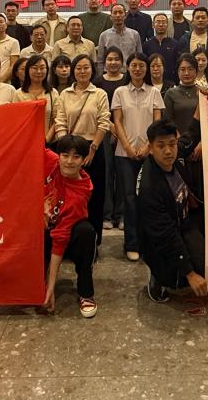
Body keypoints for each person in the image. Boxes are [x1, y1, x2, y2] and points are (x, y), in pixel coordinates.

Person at [139, 119, 207, 303]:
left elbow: (191, 134)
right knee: (178, 277)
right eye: (161, 146)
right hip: (158, 238)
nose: (168, 151)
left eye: (172, 144)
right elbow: (164, 234)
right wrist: (190, 274)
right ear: (150, 148)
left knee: (207, 266)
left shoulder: (175, 157)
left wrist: (201, 107)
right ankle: (158, 277)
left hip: (184, 222)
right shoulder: (149, 187)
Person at [110, 52, 164, 260]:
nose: (138, 69)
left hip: (150, 153)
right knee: (129, 199)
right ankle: (131, 244)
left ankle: (148, 242)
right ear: (128, 68)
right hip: (124, 154)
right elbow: (117, 121)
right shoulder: (120, 92)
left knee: (148, 199)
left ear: (146, 68)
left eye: (142, 65)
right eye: (134, 65)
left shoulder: (154, 92)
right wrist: (128, 147)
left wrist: (148, 147)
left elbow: (157, 122)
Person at [54, 55, 111, 244]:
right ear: (73, 70)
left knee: (94, 195)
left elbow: (104, 122)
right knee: (68, 196)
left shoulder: (99, 94)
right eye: (78, 67)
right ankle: (67, 239)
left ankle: (93, 241)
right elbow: (60, 120)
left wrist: (92, 149)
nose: (82, 71)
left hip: (93, 148)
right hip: (70, 149)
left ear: (92, 70)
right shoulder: (64, 94)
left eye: (86, 67)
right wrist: (66, 148)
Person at [42, 135, 97, 318]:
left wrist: (51, 287)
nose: (69, 161)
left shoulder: (79, 194)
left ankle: (85, 292)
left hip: (66, 239)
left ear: (84, 160)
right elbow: (31, 145)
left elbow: (60, 238)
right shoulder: (52, 162)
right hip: (41, 230)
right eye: (65, 155)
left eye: (76, 157)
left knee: (86, 232)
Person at [95, 46, 127, 231]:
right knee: (106, 174)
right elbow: (97, 108)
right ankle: (106, 215)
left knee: (123, 173)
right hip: (104, 132)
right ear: (104, 62)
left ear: (122, 62)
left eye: (116, 59)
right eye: (110, 59)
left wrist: (119, 127)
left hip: (125, 132)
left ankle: (121, 214)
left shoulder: (126, 80)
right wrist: (110, 125)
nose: (113, 62)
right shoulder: (98, 82)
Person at [17, 54, 59, 142]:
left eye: (42, 68)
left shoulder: (53, 93)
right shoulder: (18, 93)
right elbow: (16, 121)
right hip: (25, 141)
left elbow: (57, 119)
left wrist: (46, 139)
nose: (39, 71)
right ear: (28, 70)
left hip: (48, 142)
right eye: (35, 68)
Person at [164, 54, 201, 135]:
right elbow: (168, 120)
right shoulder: (170, 93)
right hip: (178, 139)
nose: (186, 73)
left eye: (190, 69)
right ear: (178, 72)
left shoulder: (202, 92)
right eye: (182, 69)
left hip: (201, 140)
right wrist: (178, 138)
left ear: (196, 71)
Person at [179, 7, 208, 78]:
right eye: (197, 18)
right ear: (192, 20)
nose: (200, 20)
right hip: (189, 76)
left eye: (203, 18)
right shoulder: (185, 38)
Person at [145, 13, 180, 82]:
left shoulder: (175, 44)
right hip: (151, 82)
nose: (161, 25)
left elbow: (178, 65)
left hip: (171, 82)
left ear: (167, 25)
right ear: (153, 25)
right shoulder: (147, 45)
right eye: (158, 22)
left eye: (163, 22)